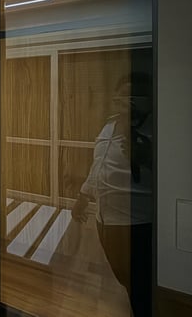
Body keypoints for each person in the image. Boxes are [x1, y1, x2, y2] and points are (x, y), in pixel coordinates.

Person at [72, 72, 152, 316]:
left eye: (132, 97)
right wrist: (83, 197)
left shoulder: (157, 130)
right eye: (121, 97)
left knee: (141, 287)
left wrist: (149, 158)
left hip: (137, 224)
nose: (125, 102)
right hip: (105, 220)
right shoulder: (108, 126)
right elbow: (99, 165)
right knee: (124, 278)